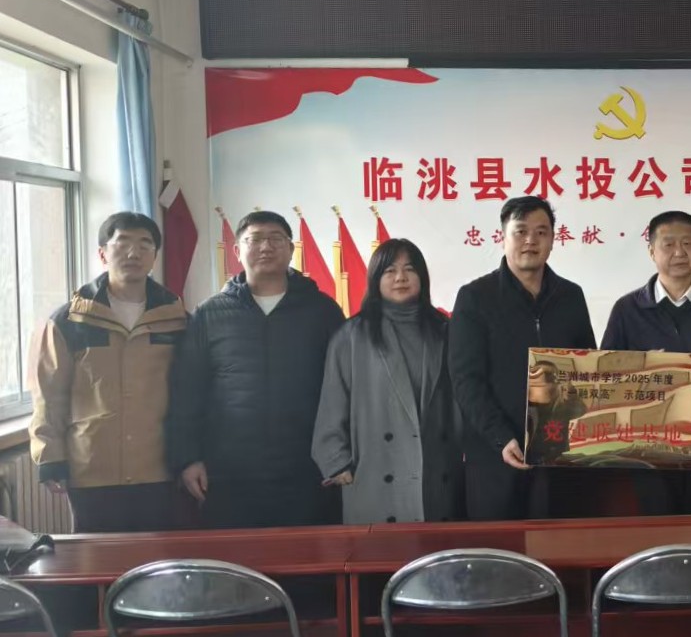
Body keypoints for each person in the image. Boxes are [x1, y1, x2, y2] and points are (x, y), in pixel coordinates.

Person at [168, 210, 345, 528]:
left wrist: (339, 456)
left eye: (276, 239)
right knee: (237, 557)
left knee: (307, 556)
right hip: (230, 473)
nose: (266, 247)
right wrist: (188, 458)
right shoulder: (209, 315)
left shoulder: (322, 310)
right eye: (255, 239)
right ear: (237, 250)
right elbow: (186, 392)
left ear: (291, 249)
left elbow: (345, 390)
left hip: (308, 470)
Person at [27, 212, 188, 533]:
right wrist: (50, 458)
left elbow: (190, 394)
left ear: (154, 256)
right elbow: (48, 396)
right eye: (122, 243)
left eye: (144, 244)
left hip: (159, 468)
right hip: (91, 468)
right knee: (96, 555)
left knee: (159, 557)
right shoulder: (67, 321)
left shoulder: (176, 318)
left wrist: (191, 457)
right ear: (102, 253)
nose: (133, 253)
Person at [449, 196, 597, 521]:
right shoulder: (475, 298)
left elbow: (587, 368)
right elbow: (466, 381)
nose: (531, 240)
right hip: (497, 457)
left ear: (553, 240)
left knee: (559, 545)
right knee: (499, 550)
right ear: (503, 237)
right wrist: (501, 437)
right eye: (521, 231)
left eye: (541, 232)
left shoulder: (571, 296)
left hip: (560, 456)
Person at [600, 211, 691, 514]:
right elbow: (607, 381)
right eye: (668, 244)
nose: (679, 252)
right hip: (646, 454)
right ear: (651, 251)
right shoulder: (627, 310)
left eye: (687, 243)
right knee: (657, 533)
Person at [312, 239, 464, 524]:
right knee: (381, 551)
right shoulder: (352, 335)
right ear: (375, 279)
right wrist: (336, 461)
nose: (400, 278)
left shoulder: (444, 331)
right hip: (373, 472)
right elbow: (333, 401)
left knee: (437, 550)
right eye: (390, 270)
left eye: (410, 269)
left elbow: (461, 399)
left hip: (438, 469)